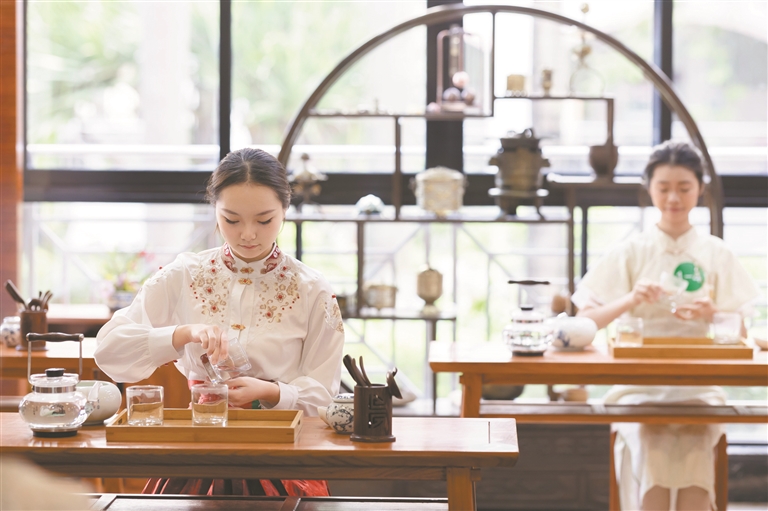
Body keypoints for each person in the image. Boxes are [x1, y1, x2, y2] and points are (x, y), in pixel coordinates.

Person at [95, 147, 346, 496]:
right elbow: (108, 351)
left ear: (285, 210)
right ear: (214, 209)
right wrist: (182, 333)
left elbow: (325, 396)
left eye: (264, 220)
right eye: (231, 220)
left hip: (283, 459)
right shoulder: (185, 274)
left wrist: (271, 392)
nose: (248, 234)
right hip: (197, 452)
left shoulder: (311, 289)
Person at [572, 140, 760, 511]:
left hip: (699, 387)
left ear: (700, 189)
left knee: (694, 448)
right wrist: (631, 299)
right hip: (638, 386)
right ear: (650, 188)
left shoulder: (717, 252)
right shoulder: (631, 250)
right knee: (650, 445)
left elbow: (741, 333)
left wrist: (712, 313)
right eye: (664, 187)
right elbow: (584, 323)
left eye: (684, 187)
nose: (674, 197)